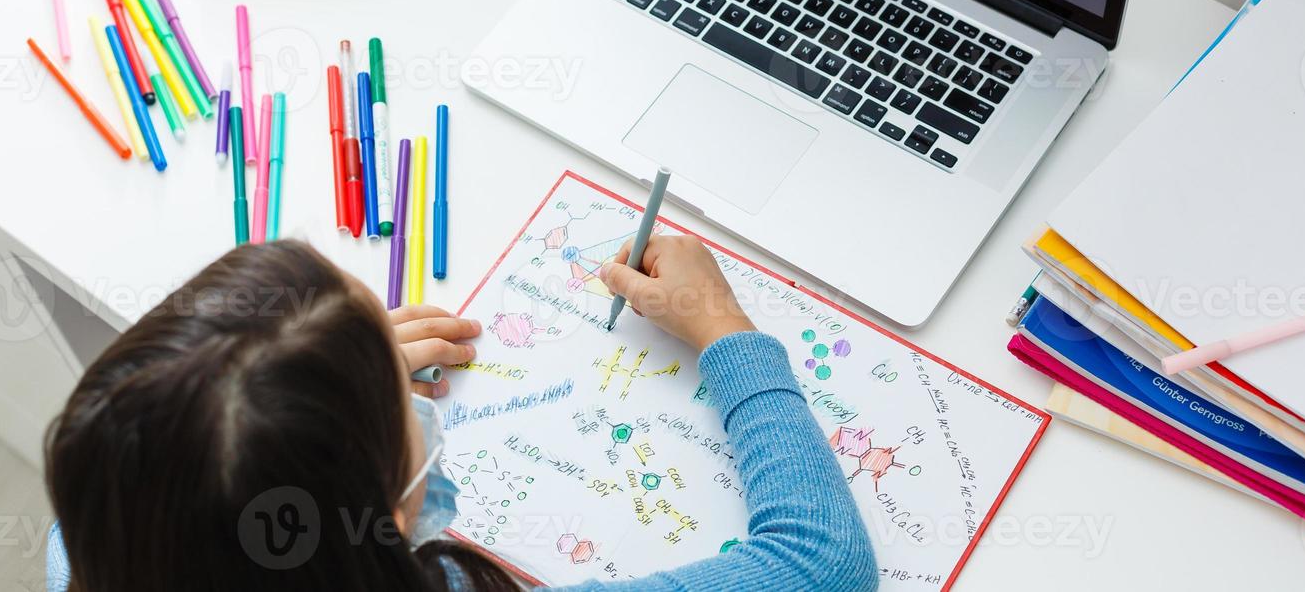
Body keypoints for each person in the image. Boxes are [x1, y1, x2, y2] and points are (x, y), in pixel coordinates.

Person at [44, 238, 877, 591]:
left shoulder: (104, 536)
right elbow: (823, 564)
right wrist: (725, 329)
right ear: (383, 516)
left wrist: (314, 386)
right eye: (401, 419)